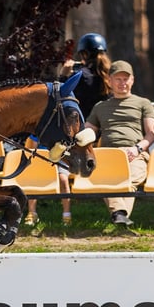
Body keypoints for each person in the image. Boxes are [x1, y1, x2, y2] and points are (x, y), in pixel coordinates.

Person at [26, 32, 112, 226]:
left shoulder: (79, 77)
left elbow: (60, 97)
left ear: (83, 54)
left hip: (74, 132)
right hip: (96, 134)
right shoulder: (107, 79)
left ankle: (35, 211)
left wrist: (64, 74)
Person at [85, 60, 154, 226]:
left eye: (126, 79)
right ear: (110, 81)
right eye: (118, 79)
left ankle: (118, 214)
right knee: (105, 177)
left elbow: (151, 134)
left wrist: (136, 149)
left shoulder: (143, 103)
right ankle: (120, 214)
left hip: (135, 153)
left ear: (132, 80)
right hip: (108, 154)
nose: (122, 83)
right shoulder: (100, 107)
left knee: (130, 179)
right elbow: (88, 132)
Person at [59, 32, 112, 119]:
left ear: (84, 54)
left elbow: (61, 96)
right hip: (106, 121)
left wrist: (63, 76)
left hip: (85, 123)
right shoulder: (110, 74)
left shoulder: (81, 76)